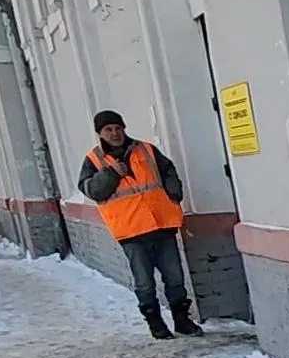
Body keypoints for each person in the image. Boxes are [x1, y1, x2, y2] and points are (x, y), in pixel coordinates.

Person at [77, 110, 200, 339]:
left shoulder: (146, 149)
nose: (114, 133)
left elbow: (168, 170)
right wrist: (111, 174)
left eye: (118, 128)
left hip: (161, 224)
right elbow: (92, 190)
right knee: (144, 282)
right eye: (108, 130)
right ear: (100, 133)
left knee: (174, 277)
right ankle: (155, 323)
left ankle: (182, 320)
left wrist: (174, 193)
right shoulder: (94, 160)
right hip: (131, 230)